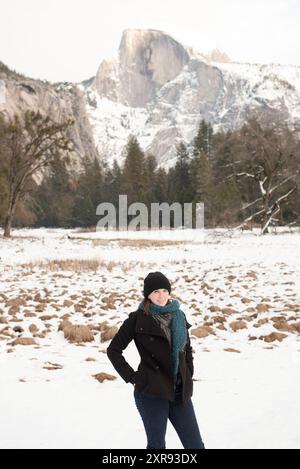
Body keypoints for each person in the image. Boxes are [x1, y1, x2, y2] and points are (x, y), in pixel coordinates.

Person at [107, 271, 205, 449]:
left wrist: (188, 373)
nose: (161, 296)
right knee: (157, 447)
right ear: (148, 295)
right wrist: (133, 377)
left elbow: (186, 349)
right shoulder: (137, 319)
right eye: (156, 292)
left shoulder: (179, 316)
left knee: (195, 445)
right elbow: (114, 350)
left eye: (164, 291)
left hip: (179, 391)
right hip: (152, 392)